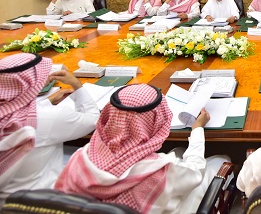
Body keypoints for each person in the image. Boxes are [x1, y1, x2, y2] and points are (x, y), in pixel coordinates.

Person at [55, 84, 229, 214]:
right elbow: (195, 171)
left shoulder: (81, 156)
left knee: (177, 151)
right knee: (220, 160)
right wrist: (197, 130)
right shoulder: (160, 170)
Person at [0, 53, 99, 211]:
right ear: (30, 83)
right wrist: (76, 85)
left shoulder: (2, 112)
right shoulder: (49, 117)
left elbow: (19, 110)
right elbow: (93, 120)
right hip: (41, 203)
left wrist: (47, 102)